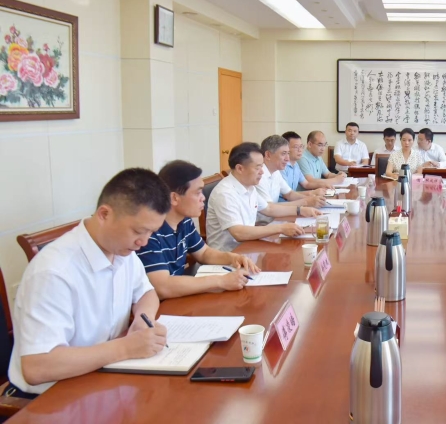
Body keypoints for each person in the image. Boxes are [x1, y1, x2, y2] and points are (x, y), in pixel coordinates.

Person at [8, 168, 170, 397]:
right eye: (138, 231)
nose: (144, 242)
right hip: (51, 396)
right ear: (104, 214)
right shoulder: (53, 271)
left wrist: (143, 319)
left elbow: (146, 293)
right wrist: (126, 347)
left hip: (102, 379)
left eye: (151, 232)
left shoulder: (122, 250)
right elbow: (37, 367)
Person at [137, 160, 261, 299]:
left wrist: (233, 258)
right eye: (198, 193)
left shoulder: (184, 221)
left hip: (179, 297)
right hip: (161, 304)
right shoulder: (149, 232)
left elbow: (204, 253)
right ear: (174, 198)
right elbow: (162, 287)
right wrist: (220, 281)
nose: (203, 198)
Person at [206, 143, 308, 252]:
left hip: (249, 246)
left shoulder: (249, 186)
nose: (262, 172)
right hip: (228, 255)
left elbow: (269, 209)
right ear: (240, 168)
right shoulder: (224, 193)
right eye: (257, 167)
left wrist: (300, 210)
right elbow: (238, 233)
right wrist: (281, 228)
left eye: (262, 166)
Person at [256, 135, 325, 223]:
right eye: (283, 154)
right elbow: (270, 208)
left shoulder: (276, 172)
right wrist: (305, 202)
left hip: (276, 218)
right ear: (268, 155)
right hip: (263, 223)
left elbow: (289, 194)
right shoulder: (259, 176)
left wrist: (311, 199)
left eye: (288, 153)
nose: (287, 158)